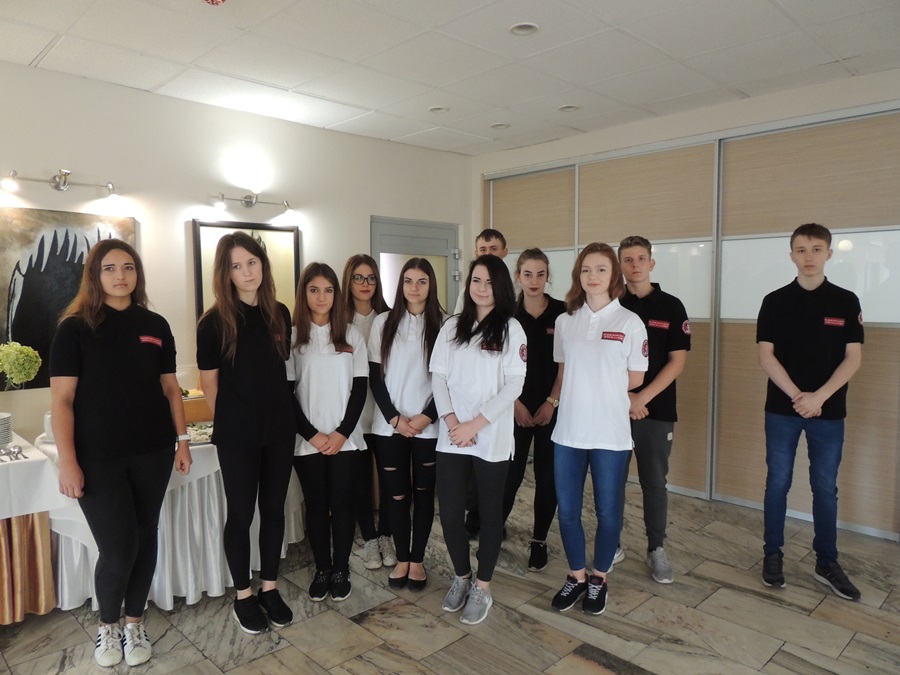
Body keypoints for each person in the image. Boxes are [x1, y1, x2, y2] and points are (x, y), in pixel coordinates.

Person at [50, 239, 192, 667]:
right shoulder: (74, 329)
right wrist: (68, 462)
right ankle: (108, 626)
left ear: (137, 274)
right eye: (109, 268)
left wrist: (183, 441)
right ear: (95, 275)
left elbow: (171, 388)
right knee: (118, 548)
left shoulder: (155, 324)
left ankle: (134, 623)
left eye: (128, 267)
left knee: (146, 536)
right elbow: (62, 401)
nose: (120, 276)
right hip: (98, 458)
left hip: (153, 451)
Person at [757, 223, 863, 601]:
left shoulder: (846, 301)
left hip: (828, 412)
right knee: (778, 482)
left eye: (817, 249)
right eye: (801, 250)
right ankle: (772, 554)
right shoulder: (774, 301)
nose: (809, 257)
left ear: (829, 254)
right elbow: (766, 356)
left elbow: (853, 358)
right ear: (791, 255)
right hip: (782, 410)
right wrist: (798, 397)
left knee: (824, 487)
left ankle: (826, 562)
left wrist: (819, 397)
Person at [197, 232, 295, 634]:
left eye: (251, 262)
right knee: (240, 514)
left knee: (274, 510)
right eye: (236, 266)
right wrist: (234, 420)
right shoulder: (213, 323)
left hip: (279, 430)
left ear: (263, 265)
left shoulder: (280, 313)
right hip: (237, 435)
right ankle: (243, 595)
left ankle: (269, 587)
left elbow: (279, 371)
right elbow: (209, 384)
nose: (246, 272)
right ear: (226, 273)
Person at [550, 243, 647, 616]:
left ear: (614, 276)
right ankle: (576, 576)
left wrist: (600, 388)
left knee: (608, 512)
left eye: (601, 269)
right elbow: (562, 373)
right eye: (586, 269)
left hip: (610, 433)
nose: (593, 276)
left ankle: (599, 578)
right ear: (579, 275)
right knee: (567, 511)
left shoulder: (629, 322)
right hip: (569, 432)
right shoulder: (565, 321)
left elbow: (636, 378)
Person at [430, 254, 527, 625]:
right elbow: (438, 377)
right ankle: (462, 576)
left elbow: (514, 385)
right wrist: (453, 421)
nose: (481, 288)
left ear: (500, 287)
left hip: (491, 437)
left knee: (489, 515)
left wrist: (475, 424)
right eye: (475, 281)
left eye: (488, 282)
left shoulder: (511, 329)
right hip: (452, 436)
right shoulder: (452, 326)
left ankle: (483, 587)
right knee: (451, 514)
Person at [289, 262, 368, 602]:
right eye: (314, 290)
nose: (321, 297)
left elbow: (360, 389)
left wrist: (340, 434)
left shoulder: (351, 335)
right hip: (307, 441)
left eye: (328, 290)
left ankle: (341, 568)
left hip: (344, 440)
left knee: (343, 504)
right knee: (317, 507)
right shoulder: (293, 337)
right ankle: (322, 568)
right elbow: (287, 394)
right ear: (304, 294)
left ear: (336, 294)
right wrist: (312, 435)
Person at [617, 236, 691, 584]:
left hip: (656, 410)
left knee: (654, 482)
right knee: (611, 481)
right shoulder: (612, 305)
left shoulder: (671, 307)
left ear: (651, 263)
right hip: (613, 409)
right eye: (628, 259)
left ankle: (656, 548)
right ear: (620, 265)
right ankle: (612, 543)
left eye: (640, 259)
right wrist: (626, 399)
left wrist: (641, 398)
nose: (635, 265)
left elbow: (677, 362)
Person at [368, 258, 444, 591]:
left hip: (429, 426)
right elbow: (375, 376)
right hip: (390, 427)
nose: (414, 288)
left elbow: (449, 380)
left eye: (422, 281)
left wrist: (427, 416)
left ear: (431, 285)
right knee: (396, 496)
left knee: (424, 495)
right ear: (400, 285)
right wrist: (394, 418)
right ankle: (402, 558)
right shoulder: (383, 322)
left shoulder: (445, 324)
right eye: (408, 281)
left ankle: (418, 561)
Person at [503, 249, 565, 572]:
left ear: (548, 276)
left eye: (540, 274)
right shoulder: (506, 314)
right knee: (509, 476)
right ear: (518, 276)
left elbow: (567, 364)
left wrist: (552, 402)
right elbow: (497, 365)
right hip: (514, 408)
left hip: (552, 409)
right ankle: (494, 529)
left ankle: (539, 540)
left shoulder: (563, 313)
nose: (534, 281)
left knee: (547, 477)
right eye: (527, 274)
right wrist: (514, 404)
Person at [453, 228, 510, 539]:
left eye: (493, 248)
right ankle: (475, 517)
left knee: (497, 476)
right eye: (482, 249)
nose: (487, 253)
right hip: (463, 417)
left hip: (499, 410)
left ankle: (492, 521)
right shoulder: (460, 313)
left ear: (504, 251)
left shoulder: (510, 315)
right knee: (468, 481)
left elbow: (514, 379)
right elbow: (447, 370)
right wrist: (456, 420)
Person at [341, 254, 395, 571]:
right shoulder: (338, 321)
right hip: (354, 416)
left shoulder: (388, 319)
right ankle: (370, 538)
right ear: (348, 281)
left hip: (384, 413)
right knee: (359, 482)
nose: (365, 284)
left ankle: (386, 534)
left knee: (389, 480)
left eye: (371, 277)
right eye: (358, 278)